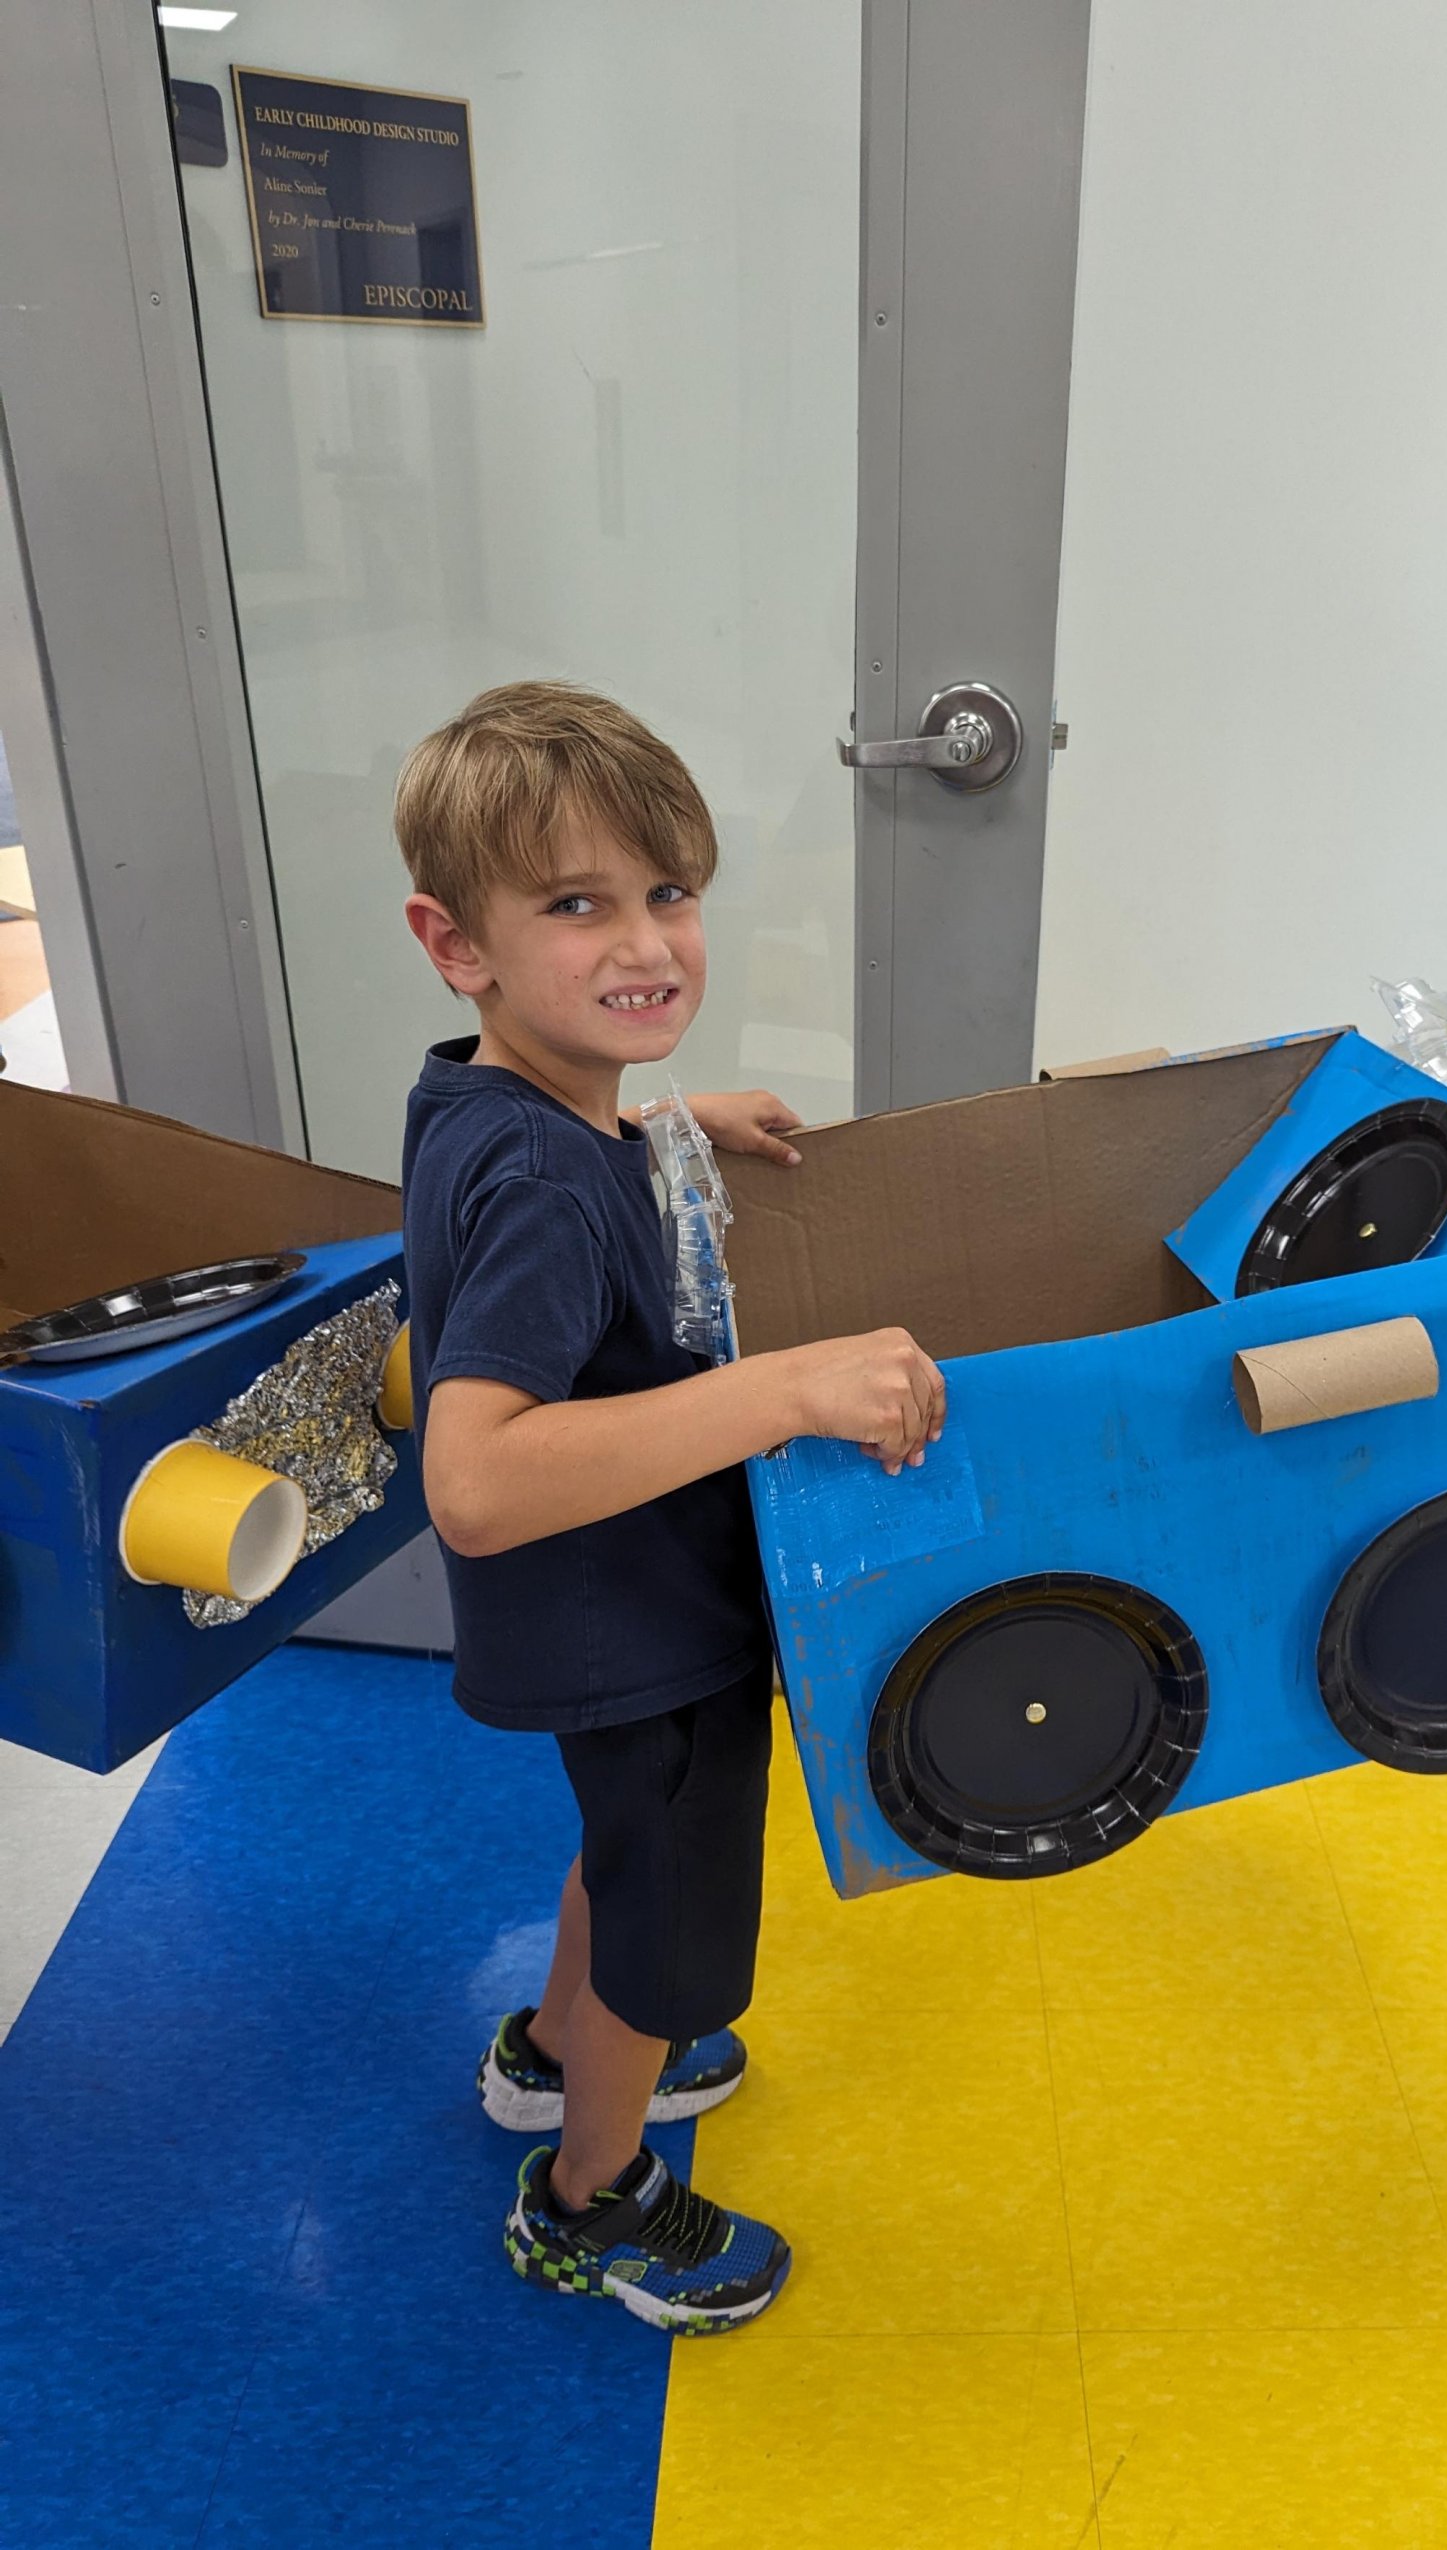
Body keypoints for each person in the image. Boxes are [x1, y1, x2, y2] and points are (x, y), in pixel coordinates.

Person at [397, 679, 945, 2334]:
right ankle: (590, 2191)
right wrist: (787, 1389)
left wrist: (665, 1129)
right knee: (672, 1913)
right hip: (640, 1622)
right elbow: (477, 1476)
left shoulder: (497, 1102)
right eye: (577, 905)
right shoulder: (559, 1181)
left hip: (594, 1628)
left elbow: (540, 1173)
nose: (645, 942)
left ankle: (553, 2046)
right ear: (456, 941)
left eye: (668, 893)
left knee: (621, 1840)